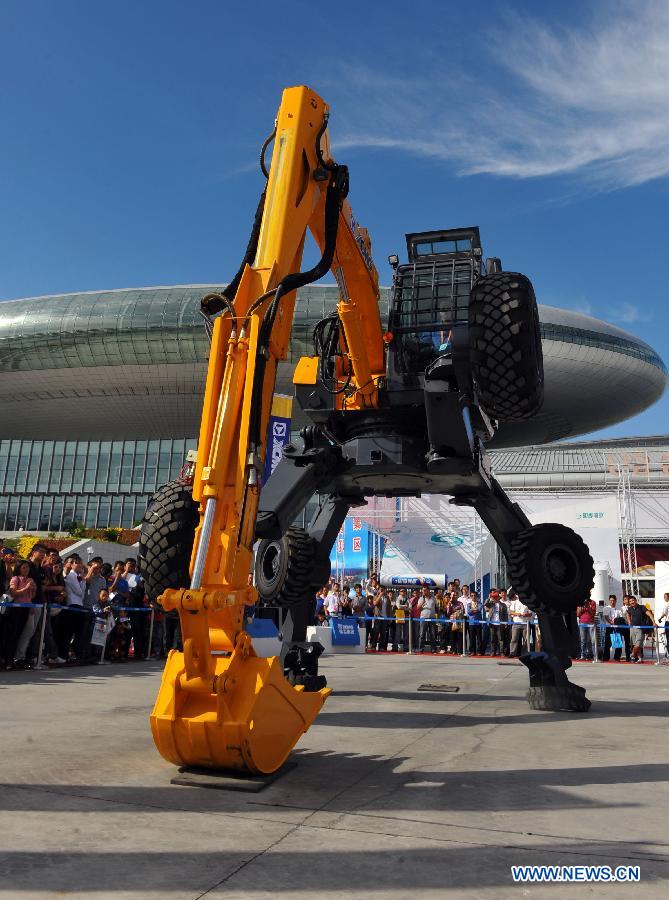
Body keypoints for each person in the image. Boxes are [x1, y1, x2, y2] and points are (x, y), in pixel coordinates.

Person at [13, 542, 48, 667]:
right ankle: (19, 657)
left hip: (38, 604)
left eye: (44, 553)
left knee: (33, 632)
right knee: (27, 631)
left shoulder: (41, 569)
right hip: (27, 604)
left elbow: (41, 586)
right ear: (33, 552)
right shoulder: (27, 566)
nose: (43, 555)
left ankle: (27, 657)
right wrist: (30, 603)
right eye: (41, 552)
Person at [2, 561, 36, 668]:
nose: (26, 570)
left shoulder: (30, 579)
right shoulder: (15, 579)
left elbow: (31, 596)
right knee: (12, 635)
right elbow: (13, 593)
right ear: (18, 569)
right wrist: (26, 588)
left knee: (19, 634)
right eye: (24, 568)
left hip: (25, 609)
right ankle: (8, 660)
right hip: (16, 609)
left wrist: (33, 589)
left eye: (27, 568)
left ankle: (16, 659)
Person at [626, 595, 654, 663]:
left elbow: (649, 614)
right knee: (635, 644)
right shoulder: (629, 608)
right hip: (632, 629)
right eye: (630, 601)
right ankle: (640, 658)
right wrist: (629, 622)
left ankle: (632, 655)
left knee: (638, 644)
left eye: (633, 600)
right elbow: (628, 614)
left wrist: (654, 622)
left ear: (635, 600)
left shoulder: (642, 607)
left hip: (640, 629)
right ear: (629, 603)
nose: (632, 602)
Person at [507, 590, 531, 657]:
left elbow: (531, 614)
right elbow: (510, 612)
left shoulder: (527, 602)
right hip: (516, 623)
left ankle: (525, 653)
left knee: (526, 640)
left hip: (526, 623)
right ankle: (512, 653)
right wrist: (518, 614)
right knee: (514, 639)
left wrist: (525, 615)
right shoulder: (514, 602)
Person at [485, 590, 508, 656]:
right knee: (492, 639)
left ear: (498, 597)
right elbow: (486, 604)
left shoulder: (503, 605)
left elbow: (505, 614)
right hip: (492, 623)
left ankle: (501, 652)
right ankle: (493, 652)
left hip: (500, 624)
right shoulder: (491, 604)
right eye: (493, 597)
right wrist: (489, 597)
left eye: (496, 597)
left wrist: (505, 622)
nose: (494, 598)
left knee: (501, 639)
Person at [602, 594, 622, 662]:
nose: (612, 602)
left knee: (618, 642)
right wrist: (611, 622)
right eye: (611, 600)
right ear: (609, 601)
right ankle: (606, 657)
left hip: (617, 627)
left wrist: (616, 623)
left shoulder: (619, 609)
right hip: (609, 627)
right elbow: (606, 617)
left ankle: (617, 657)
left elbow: (620, 618)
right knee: (608, 643)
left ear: (616, 601)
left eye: (613, 600)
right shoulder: (606, 608)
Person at [418, 586, 437, 653]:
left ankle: (433, 649)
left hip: (432, 618)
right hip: (423, 618)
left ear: (428, 590)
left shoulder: (433, 598)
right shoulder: (421, 598)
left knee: (433, 634)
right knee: (422, 634)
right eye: (423, 590)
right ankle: (421, 649)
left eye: (425, 590)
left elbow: (436, 607)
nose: (423, 592)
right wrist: (422, 604)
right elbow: (418, 608)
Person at [577, 596, 597, 660]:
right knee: (583, 640)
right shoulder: (580, 602)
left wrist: (588, 607)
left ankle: (592, 655)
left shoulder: (593, 602)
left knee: (592, 640)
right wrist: (580, 608)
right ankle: (583, 655)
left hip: (591, 623)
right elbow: (578, 614)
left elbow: (593, 614)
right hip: (582, 623)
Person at [658, 592, 669, 660]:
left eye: (665, 597)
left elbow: (664, 613)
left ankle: (667, 654)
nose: (664, 598)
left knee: (668, 638)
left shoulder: (667, 604)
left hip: (668, 622)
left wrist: (660, 618)